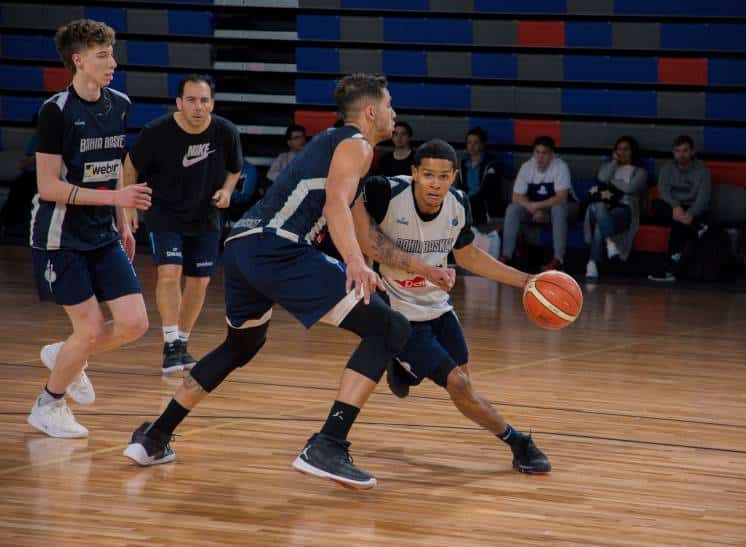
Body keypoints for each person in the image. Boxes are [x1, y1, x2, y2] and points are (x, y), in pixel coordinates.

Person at [123, 73, 455, 489]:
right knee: (391, 326)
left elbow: (364, 233)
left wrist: (425, 270)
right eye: (390, 106)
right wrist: (353, 262)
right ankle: (327, 445)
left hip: (242, 245)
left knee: (241, 345)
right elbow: (336, 205)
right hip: (278, 246)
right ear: (370, 111)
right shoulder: (357, 145)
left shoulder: (333, 146)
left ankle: (155, 436)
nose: (395, 114)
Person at [358, 139, 551, 474]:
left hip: (439, 309)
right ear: (414, 173)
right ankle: (518, 442)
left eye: (444, 176)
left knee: (464, 383)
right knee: (458, 385)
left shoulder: (459, 205)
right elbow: (357, 228)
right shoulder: (384, 193)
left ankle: (405, 367)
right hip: (399, 313)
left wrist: (525, 281)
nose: (436, 183)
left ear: (454, 177)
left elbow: (468, 256)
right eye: (428, 175)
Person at [28, 19, 152, 438]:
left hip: (103, 231)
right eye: (102, 55)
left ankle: (66, 355)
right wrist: (116, 200)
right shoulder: (55, 112)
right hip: (60, 236)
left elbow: (114, 166)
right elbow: (49, 186)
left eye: (112, 53)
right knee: (91, 328)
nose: (112, 62)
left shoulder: (119, 103)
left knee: (135, 324)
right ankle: (49, 404)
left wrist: (123, 222)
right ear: (78, 61)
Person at [123, 74, 243, 373]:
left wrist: (227, 190)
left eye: (204, 100)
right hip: (165, 213)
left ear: (212, 104)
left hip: (205, 215)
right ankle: (170, 340)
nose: (198, 106)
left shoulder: (226, 131)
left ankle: (182, 343)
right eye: (191, 100)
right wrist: (130, 205)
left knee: (200, 280)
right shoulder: (157, 132)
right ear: (179, 102)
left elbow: (235, 169)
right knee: (169, 273)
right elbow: (130, 166)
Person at [500, 136, 578, 271]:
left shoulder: (560, 166)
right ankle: (506, 256)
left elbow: (561, 198)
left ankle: (558, 259)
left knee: (558, 210)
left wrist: (535, 207)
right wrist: (532, 209)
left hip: (566, 208)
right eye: (537, 152)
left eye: (544, 153)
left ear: (552, 155)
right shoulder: (527, 167)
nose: (540, 157)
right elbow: (516, 196)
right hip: (536, 209)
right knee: (513, 208)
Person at [648, 135, 711, 282]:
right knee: (656, 205)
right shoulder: (667, 168)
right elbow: (663, 191)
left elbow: (703, 197)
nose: (681, 155)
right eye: (678, 151)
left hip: (692, 208)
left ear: (692, 152)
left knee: (678, 225)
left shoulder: (703, 171)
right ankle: (698, 227)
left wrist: (690, 213)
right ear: (673, 152)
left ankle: (670, 270)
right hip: (672, 207)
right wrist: (676, 206)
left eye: (685, 151)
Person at [584, 136, 648, 280]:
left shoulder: (640, 172)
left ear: (632, 152)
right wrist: (614, 162)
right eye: (619, 149)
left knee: (600, 225)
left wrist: (611, 181)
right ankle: (609, 242)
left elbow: (631, 188)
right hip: (603, 207)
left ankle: (592, 262)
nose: (622, 152)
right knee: (599, 206)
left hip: (624, 209)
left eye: (626, 149)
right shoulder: (608, 167)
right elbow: (602, 177)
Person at [455, 126, 504, 226]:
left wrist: (468, 200)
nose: (472, 146)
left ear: (482, 144)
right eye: (469, 142)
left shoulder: (491, 164)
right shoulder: (462, 164)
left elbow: (488, 190)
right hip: (467, 201)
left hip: (484, 204)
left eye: (475, 142)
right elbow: (459, 187)